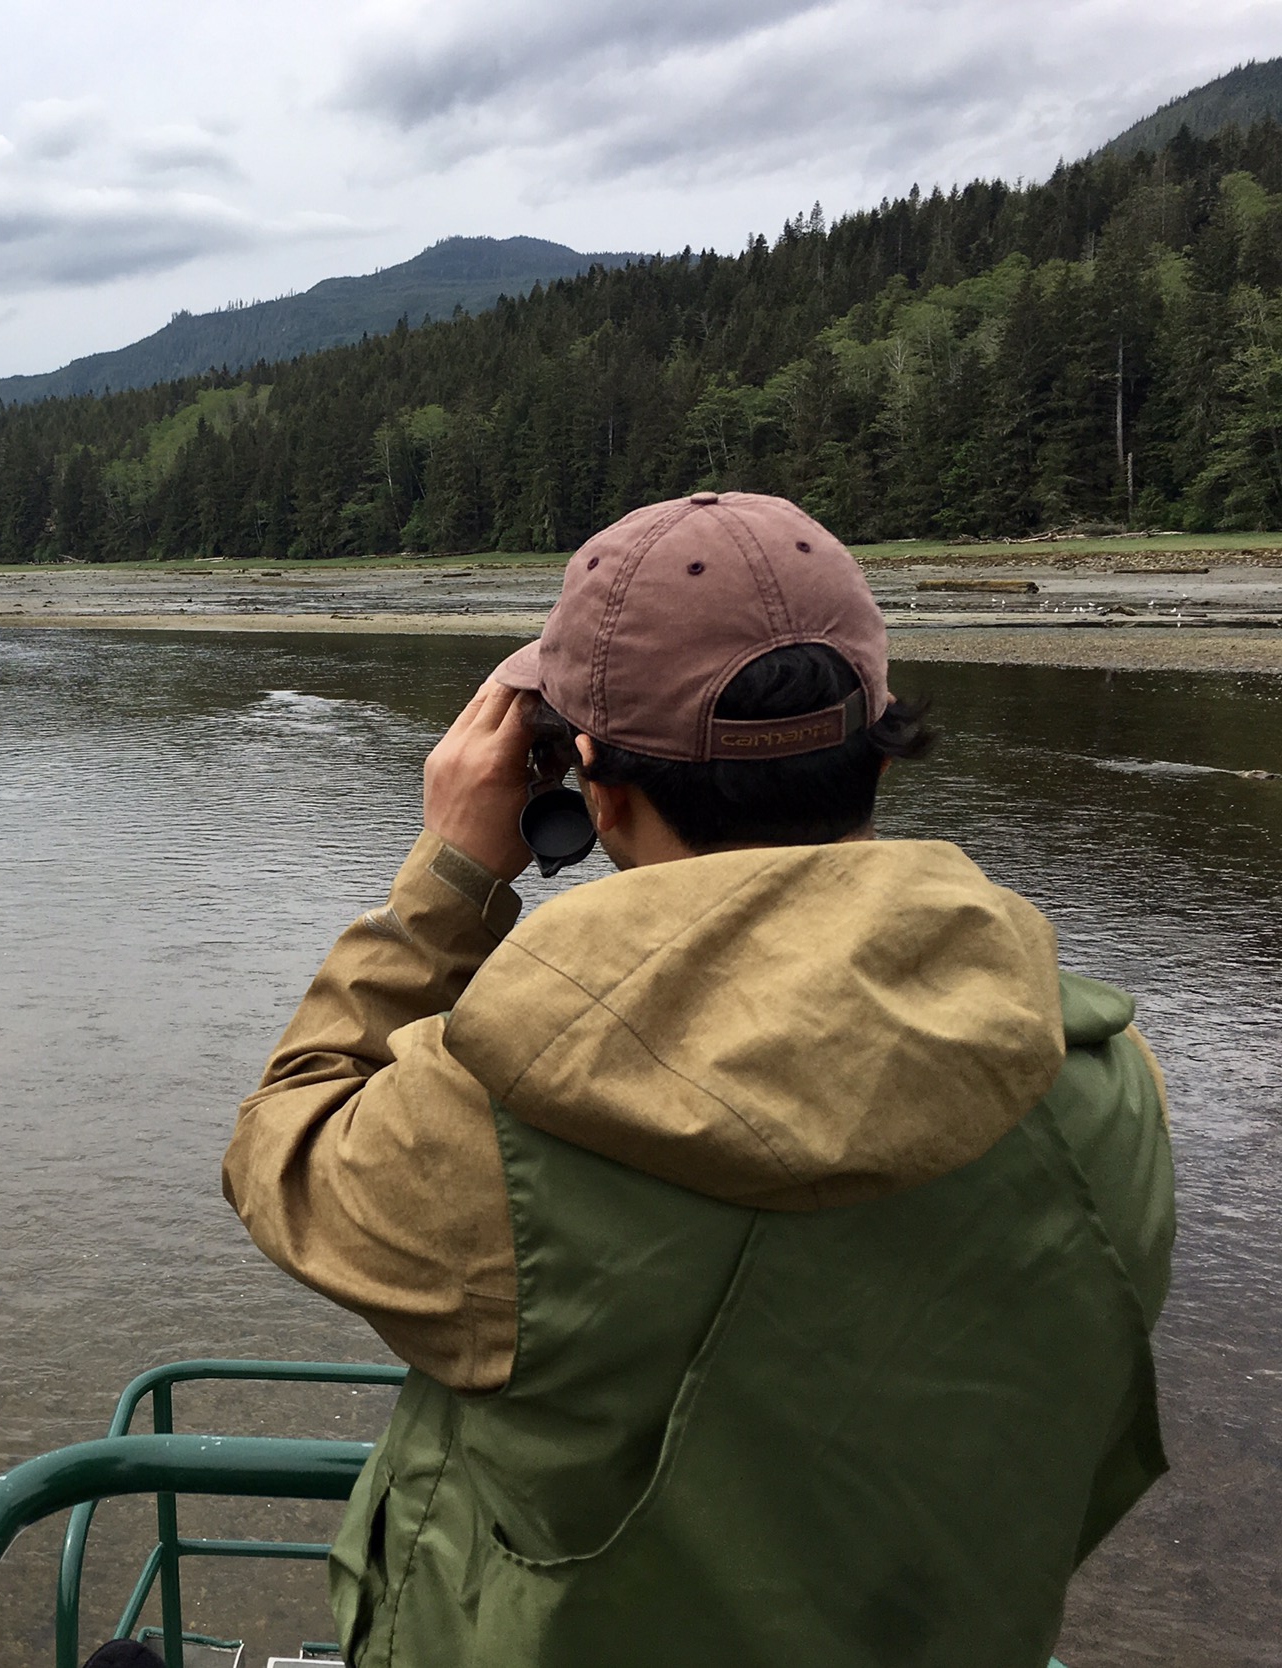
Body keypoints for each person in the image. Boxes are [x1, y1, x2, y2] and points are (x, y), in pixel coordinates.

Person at [222, 492, 1174, 1667]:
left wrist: (450, 879)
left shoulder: (500, 1126)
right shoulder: (1107, 1089)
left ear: (597, 791)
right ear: (876, 746)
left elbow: (284, 1149)